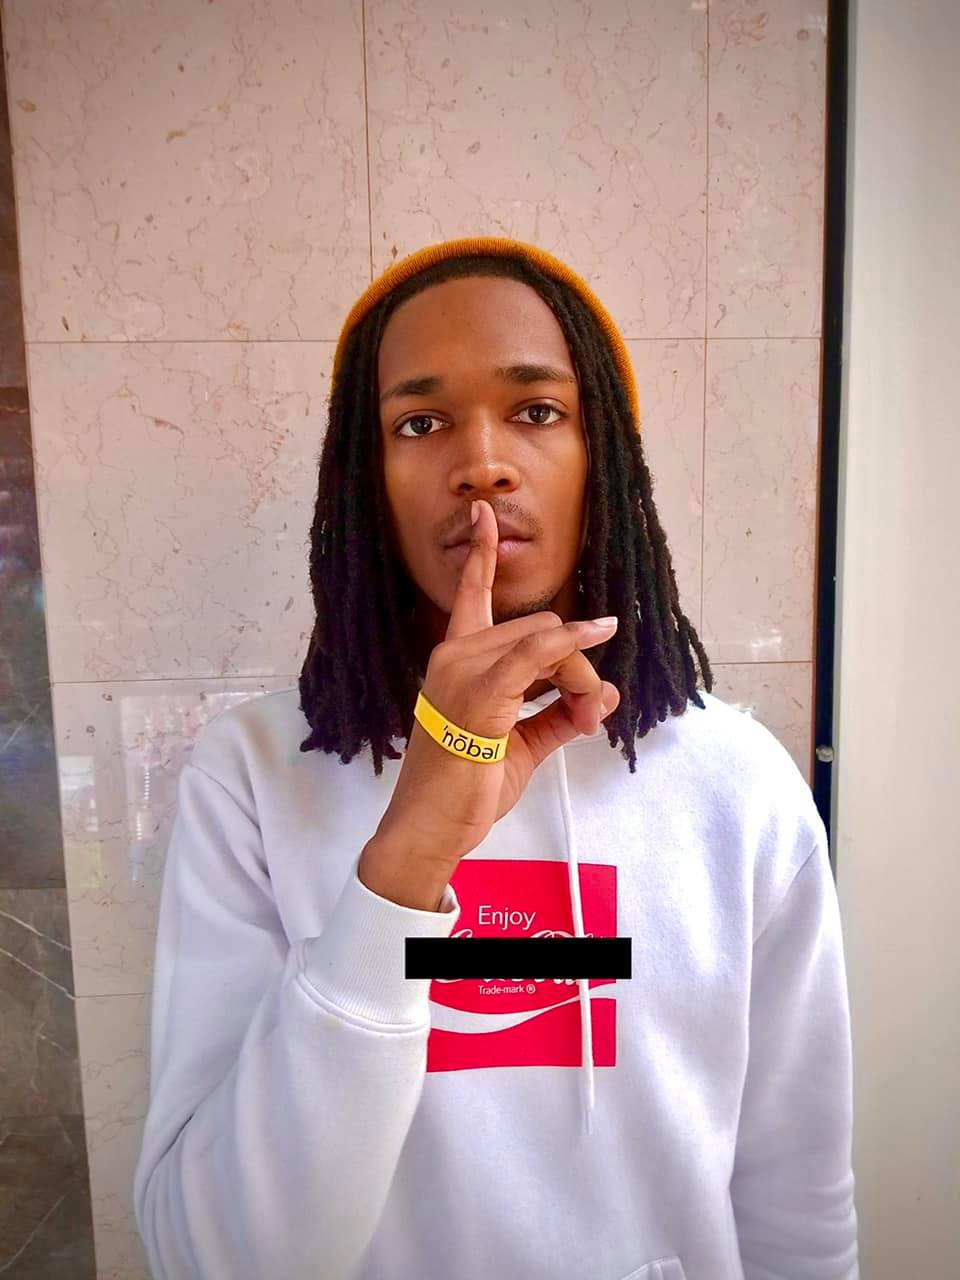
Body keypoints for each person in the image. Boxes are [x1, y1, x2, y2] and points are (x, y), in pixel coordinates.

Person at [133, 237, 859, 1280]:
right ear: (365, 479)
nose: (481, 460)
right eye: (419, 423)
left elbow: (801, 1203)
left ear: (604, 454)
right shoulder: (252, 775)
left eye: (537, 409)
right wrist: (410, 855)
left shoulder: (737, 784)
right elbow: (211, 1256)